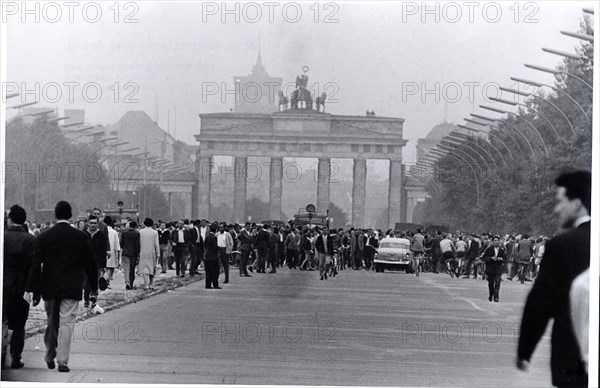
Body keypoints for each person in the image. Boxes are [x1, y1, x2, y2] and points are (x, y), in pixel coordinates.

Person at [517, 170, 591, 387]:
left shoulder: (563, 246)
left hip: (572, 362)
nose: (557, 209)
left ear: (577, 204)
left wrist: (525, 351)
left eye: (561, 201)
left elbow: (540, 304)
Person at [27, 201, 98, 373]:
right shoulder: (81, 237)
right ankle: (63, 360)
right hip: (72, 286)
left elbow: (35, 265)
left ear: (56, 215)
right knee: (67, 323)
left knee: (52, 322)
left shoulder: (43, 236)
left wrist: (33, 289)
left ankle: (50, 353)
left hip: (49, 286)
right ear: (70, 215)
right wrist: (94, 287)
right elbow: (91, 264)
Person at [2, 205, 35, 369]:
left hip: (4, 284)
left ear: (10, 219)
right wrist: (32, 289)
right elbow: (34, 267)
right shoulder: (30, 240)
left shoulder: (3, 238)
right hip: (23, 286)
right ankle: (16, 356)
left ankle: (1, 354)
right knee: (20, 324)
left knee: (3, 320)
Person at [481, 236, 506, 302]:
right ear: (492, 241)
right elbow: (484, 258)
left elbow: (505, 259)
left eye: (497, 240)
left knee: (497, 282)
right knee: (491, 284)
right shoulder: (489, 249)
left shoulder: (501, 250)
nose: (496, 242)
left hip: (498, 269)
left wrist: (500, 259)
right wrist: (491, 258)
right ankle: (491, 294)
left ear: (499, 241)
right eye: (495, 240)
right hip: (490, 269)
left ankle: (496, 296)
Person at [139, 218, 160, 290]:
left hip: (143, 252)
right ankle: (151, 284)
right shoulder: (154, 232)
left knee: (145, 268)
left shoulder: (140, 232)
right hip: (152, 252)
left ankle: (146, 285)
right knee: (152, 268)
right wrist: (158, 253)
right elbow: (156, 244)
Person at [120, 220, 141, 290]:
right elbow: (137, 244)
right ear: (135, 226)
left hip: (125, 252)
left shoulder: (124, 233)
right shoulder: (137, 233)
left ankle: (127, 282)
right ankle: (131, 283)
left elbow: (121, 243)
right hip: (133, 253)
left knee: (126, 268)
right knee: (132, 268)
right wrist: (138, 253)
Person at [103, 216, 121, 288]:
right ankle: (108, 282)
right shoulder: (114, 232)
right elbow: (117, 244)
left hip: (103, 250)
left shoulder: (102, 230)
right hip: (112, 251)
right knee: (110, 268)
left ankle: (104, 279)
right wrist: (118, 253)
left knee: (104, 267)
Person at [204, 223, 221, 289]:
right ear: (216, 230)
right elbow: (215, 247)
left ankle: (208, 284)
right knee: (215, 272)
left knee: (208, 272)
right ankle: (215, 285)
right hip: (213, 257)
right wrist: (219, 248)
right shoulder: (214, 238)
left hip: (207, 257)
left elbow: (205, 246)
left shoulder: (207, 237)